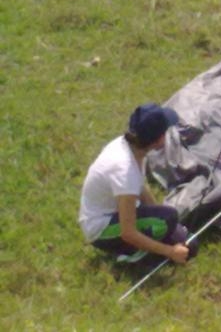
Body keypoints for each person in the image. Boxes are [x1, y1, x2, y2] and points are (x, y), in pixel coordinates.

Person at [79, 103, 195, 265]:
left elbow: (141, 188)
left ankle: (152, 244)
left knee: (188, 243)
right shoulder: (124, 170)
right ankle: (131, 257)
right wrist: (170, 251)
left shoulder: (134, 148)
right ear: (159, 139)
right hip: (101, 230)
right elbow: (128, 233)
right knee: (168, 220)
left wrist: (161, 217)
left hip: (117, 215)